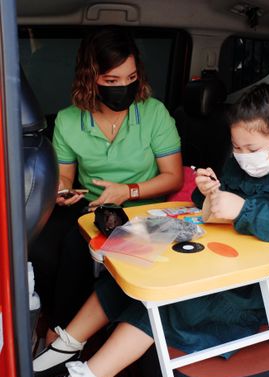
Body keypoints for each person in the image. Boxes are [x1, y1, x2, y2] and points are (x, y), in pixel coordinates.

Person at [33, 83, 269, 377]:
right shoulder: (238, 166)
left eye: (252, 148)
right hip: (216, 265)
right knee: (120, 282)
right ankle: (67, 344)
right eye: (235, 146)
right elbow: (217, 208)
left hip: (255, 290)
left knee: (161, 302)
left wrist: (244, 210)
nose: (243, 155)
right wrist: (207, 196)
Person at [29, 28, 183, 345]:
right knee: (40, 241)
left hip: (145, 209)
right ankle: (59, 319)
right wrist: (62, 191)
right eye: (112, 81)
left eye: (131, 78)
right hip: (93, 205)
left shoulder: (154, 113)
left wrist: (128, 191)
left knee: (77, 244)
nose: (123, 88)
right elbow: (67, 176)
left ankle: (61, 334)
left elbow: (173, 177)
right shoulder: (70, 120)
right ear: (91, 78)